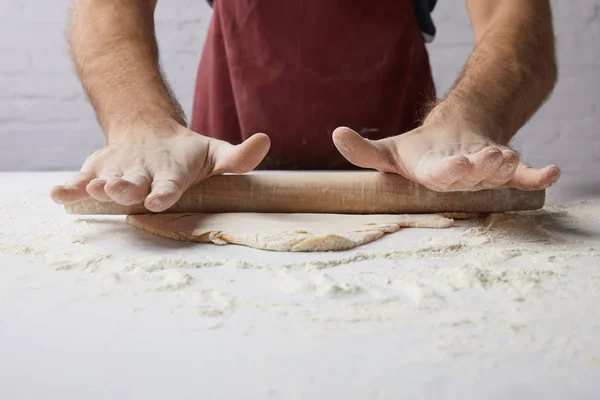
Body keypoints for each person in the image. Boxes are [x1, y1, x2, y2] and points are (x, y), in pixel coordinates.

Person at [51, 0, 561, 212]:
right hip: (222, 162)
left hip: (411, 164)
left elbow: (515, 19)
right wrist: (140, 124)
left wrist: (468, 120)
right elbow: (108, 7)